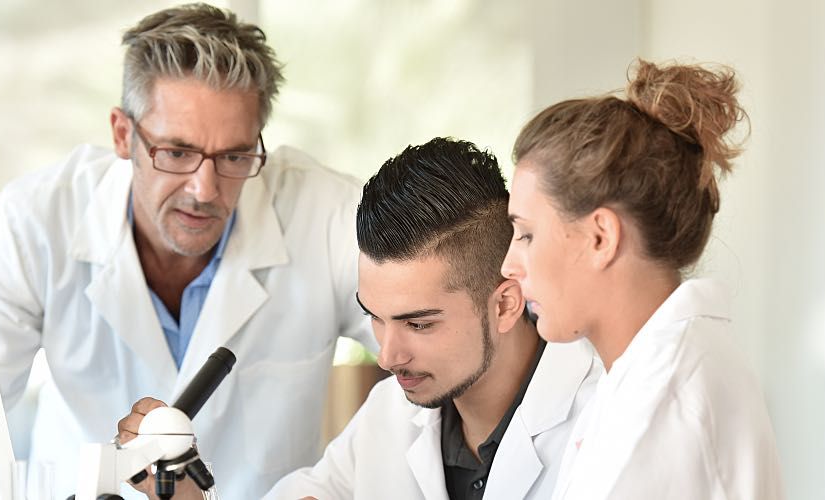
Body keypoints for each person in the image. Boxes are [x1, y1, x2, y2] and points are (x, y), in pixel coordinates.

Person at [0, 4, 374, 499]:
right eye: (176, 152)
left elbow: (430, 366)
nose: (204, 188)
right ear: (123, 133)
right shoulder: (40, 219)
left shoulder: (326, 214)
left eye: (234, 156)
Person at [120, 138, 599, 499]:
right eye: (375, 317)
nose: (388, 355)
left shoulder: (602, 413)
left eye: (419, 324)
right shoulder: (390, 415)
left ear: (505, 304)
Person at [500, 60, 784, 499]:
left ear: (600, 237)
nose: (509, 266)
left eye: (527, 234)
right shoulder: (647, 376)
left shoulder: (663, 406)